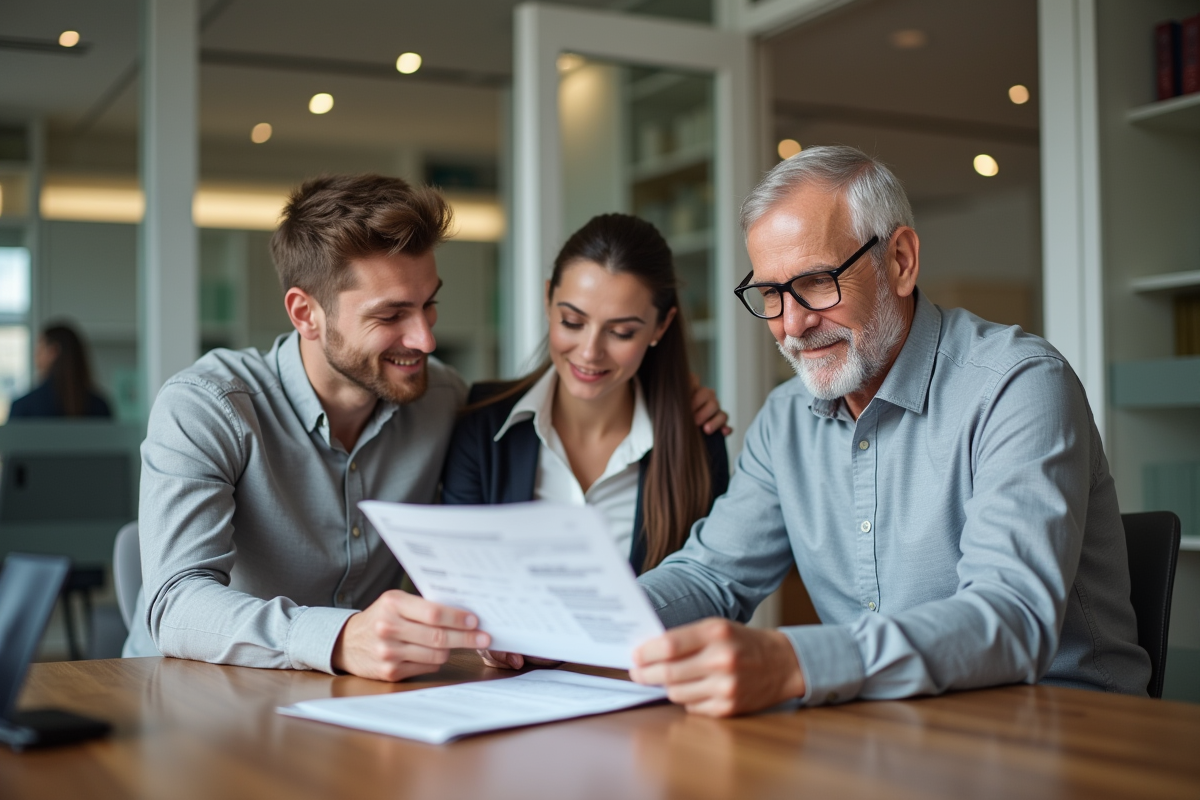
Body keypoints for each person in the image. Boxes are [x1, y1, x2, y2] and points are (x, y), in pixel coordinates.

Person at [124, 174, 727, 681]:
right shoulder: (208, 407)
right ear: (305, 313)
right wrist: (340, 638)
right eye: (391, 315)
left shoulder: (444, 400)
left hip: (355, 707)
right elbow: (174, 605)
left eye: (429, 304)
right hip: (193, 694)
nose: (426, 340)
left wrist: (676, 397)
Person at [627, 145, 1151, 717]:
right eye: (772, 295)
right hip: (890, 734)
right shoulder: (785, 420)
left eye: (816, 282)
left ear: (900, 260)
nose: (793, 324)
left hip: (1068, 737)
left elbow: (1011, 616)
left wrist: (797, 663)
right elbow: (709, 577)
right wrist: (569, 628)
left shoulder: (1018, 384)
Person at [442, 214, 729, 669]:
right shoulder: (481, 422)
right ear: (547, 299)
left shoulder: (697, 441)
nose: (590, 352)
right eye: (572, 321)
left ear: (660, 327)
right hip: (500, 696)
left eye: (621, 332)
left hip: (636, 711)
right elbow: (454, 581)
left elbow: (713, 594)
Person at [8, 323, 112, 419]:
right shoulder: (100, 406)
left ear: (53, 351)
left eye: (40, 346)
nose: (36, 354)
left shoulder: (24, 406)